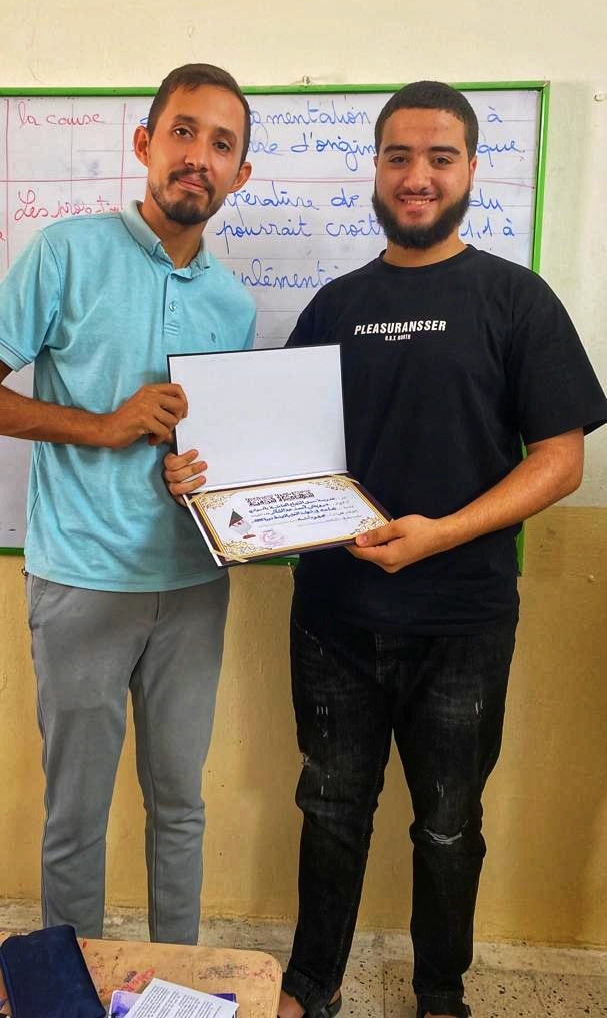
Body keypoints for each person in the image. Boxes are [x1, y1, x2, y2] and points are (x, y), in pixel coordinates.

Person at [165, 80, 606, 1016]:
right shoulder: (334, 306)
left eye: (439, 158)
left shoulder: (515, 300)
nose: (416, 177)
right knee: (329, 809)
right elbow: (277, 454)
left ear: (470, 169)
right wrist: (212, 484)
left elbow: (560, 461)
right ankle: (311, 983)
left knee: (447, 825)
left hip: (462, 622)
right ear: (375, 167)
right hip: (334, 620)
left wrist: (441, 534)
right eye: (398, 157)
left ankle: (440, 992)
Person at [0, 63, 255, 944]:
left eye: (220, 144)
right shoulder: (65, 253)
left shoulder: (232, 303)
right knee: (76, 813)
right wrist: (102, 427)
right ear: (145, 143)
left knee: (180, 806)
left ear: (239, 174)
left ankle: (177, 977)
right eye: (183, 132)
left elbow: (216, 445)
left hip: (194, 586)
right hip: (81, 581)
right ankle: (73, 987)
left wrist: (198, 473)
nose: (198, 157)